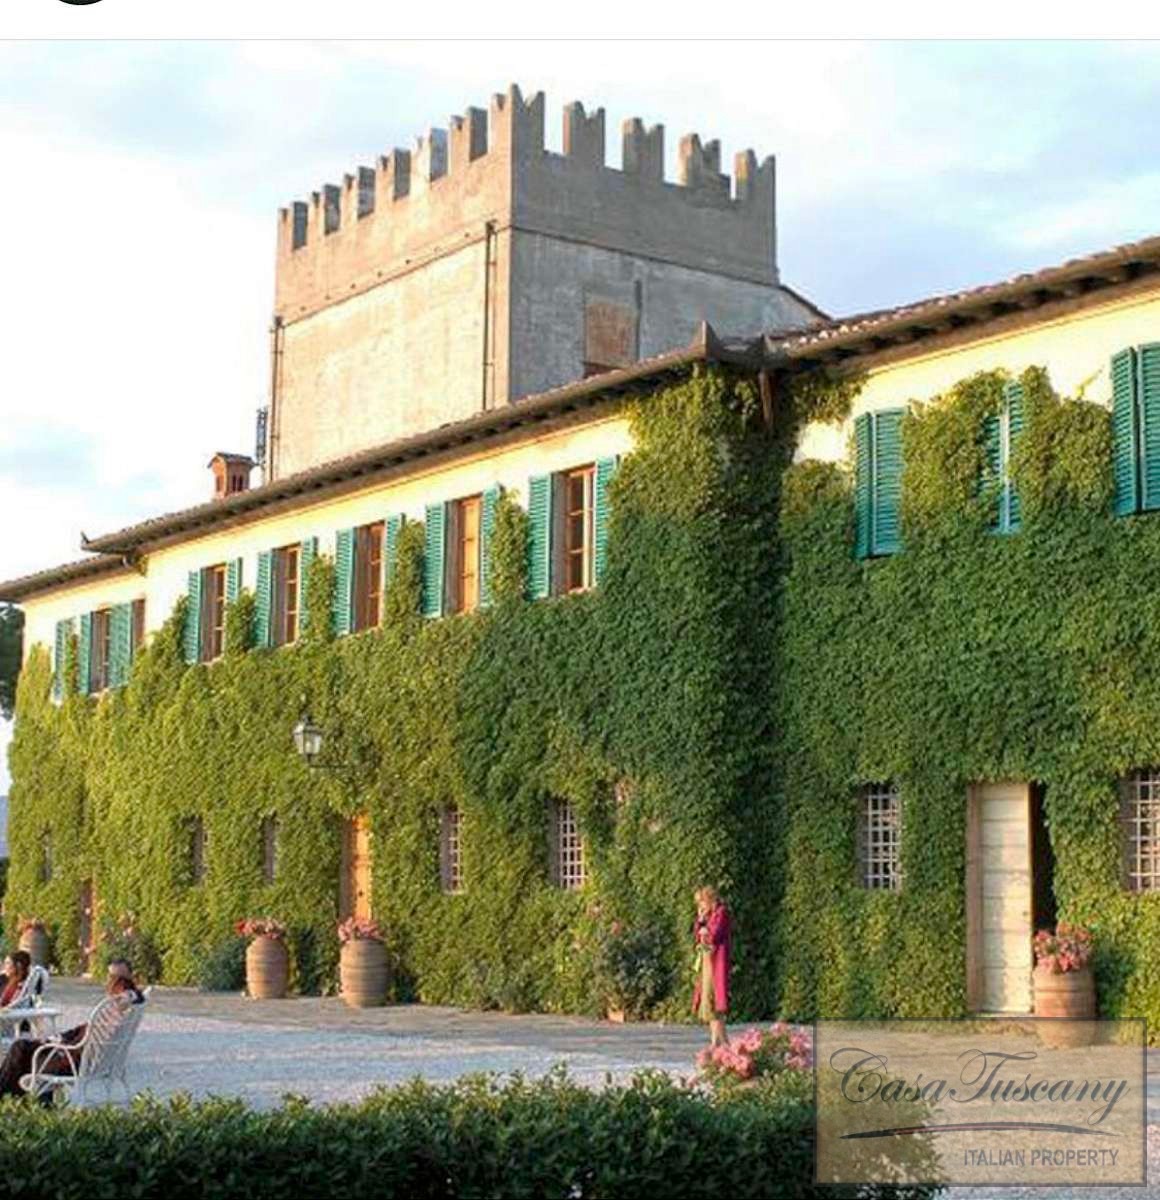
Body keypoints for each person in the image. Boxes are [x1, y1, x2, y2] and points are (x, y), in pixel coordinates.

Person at [0, 957, 144, 1100]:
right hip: (75, 1054)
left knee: (21, 1049)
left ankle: (10, 1100)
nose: (113, 982)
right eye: (110, 976)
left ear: (129, 979)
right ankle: (22, 1102)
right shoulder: (114, 1010)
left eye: (119, 979)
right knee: (23, 1049)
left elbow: (131, 997)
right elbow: (85, 1031)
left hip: (74, 1061)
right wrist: (60, 1038)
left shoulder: (120, 1005)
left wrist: (127, 995)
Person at [692, 885, 731, 1048]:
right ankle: (718, 1041)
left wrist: (705, 930)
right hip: (706, 961)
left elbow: (714, 936)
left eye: (702, 902)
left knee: (715, 1001)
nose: (700, 906)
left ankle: (720, 1041)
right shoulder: (707, 916)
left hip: (717, 962)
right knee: (707, 1001)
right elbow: (697, 935)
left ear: (710, 900)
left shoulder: (721, 913)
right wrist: (701, 921)